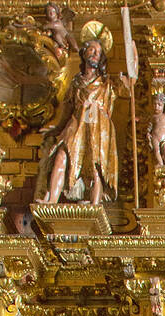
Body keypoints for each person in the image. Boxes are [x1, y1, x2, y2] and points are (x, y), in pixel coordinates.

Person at [39, 38, 123, 206]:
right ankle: (51, 201)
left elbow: (127, 87)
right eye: (92, 50)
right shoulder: (76, 83)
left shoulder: (107, 84)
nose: (94, 54)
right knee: (61, 155)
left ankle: (94, 205)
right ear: (84, 53)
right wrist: (57, 128)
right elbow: (67, 110)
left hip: (98, 126)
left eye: (98, 52)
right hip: (76, 124)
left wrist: (131, 69)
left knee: (96, 165)